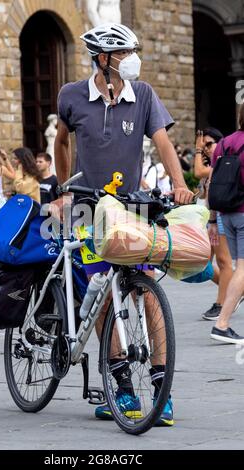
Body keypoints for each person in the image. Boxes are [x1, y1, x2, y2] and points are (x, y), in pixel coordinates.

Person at [54, 23, 193, 426]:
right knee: (102, 289)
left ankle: (161, 386)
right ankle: (121, 387)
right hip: (86, 209)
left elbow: (163, 143)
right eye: (124, 53)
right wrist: (64, 190)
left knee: (147, 293)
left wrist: (181, 185)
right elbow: (62, 140)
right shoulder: (72, 95)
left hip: (130, 209)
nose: (132, 59)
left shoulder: (143, 94)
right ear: (102, 59)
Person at [208, 103, 244, 344]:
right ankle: (222, 323)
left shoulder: (224, 143)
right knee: (243, 267)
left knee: (238, 264)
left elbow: (212, 181)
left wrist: (212, 218)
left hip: (225, 213)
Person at [194, 127, 233, 320]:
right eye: (204, 145)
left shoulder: (221, 162)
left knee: (223, 262)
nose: (206, 148)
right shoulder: (216, 164)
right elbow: (202, 189)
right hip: (212, 217)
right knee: (202, 262)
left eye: (209, 144)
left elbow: (197, 171)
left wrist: (197, 150)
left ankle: (222, 303)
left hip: (219, 216)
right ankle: (236, 290)